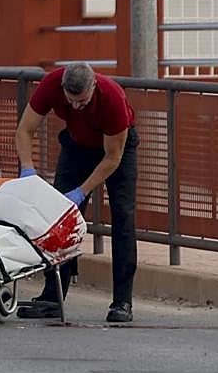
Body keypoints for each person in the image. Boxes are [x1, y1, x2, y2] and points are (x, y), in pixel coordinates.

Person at [13, 62, 138, 323]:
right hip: (77, 145)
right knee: (59, 218)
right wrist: (27, 169)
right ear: (63, 89)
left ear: (93, 86)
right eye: (72, 102)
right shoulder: (50, 84)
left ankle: (122, 302)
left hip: (116, 151)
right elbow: (25, 129)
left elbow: (112, 158)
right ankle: (52, 297)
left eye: (82, 101)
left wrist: (81, 192)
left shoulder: (112, 97)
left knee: (123, 219)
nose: (77, 106)